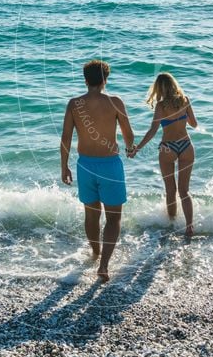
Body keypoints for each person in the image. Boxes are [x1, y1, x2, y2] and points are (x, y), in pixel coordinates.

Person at [60, 58, 135, 282]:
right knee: (113, 218)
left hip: (85, 165)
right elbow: (127, 133)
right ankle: (103, 265)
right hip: (110, 165)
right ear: (105, 80)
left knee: (91, 216)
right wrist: (130, 148)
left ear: (85, 80)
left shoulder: (74, 104)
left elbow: (65, 139)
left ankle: (95, 253)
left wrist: (64, 166)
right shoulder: (115, 102)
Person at [133, 72, 197, 235]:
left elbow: (153, 131)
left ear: (159, 88)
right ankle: (190, 227)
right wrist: (183, 116)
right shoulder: (185, 100)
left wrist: (137, 148)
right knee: (184, 191)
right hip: (186, 145)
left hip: (168, 147)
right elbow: (194, 124)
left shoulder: (161, 106)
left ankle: (172, 224)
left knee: (171, 190)